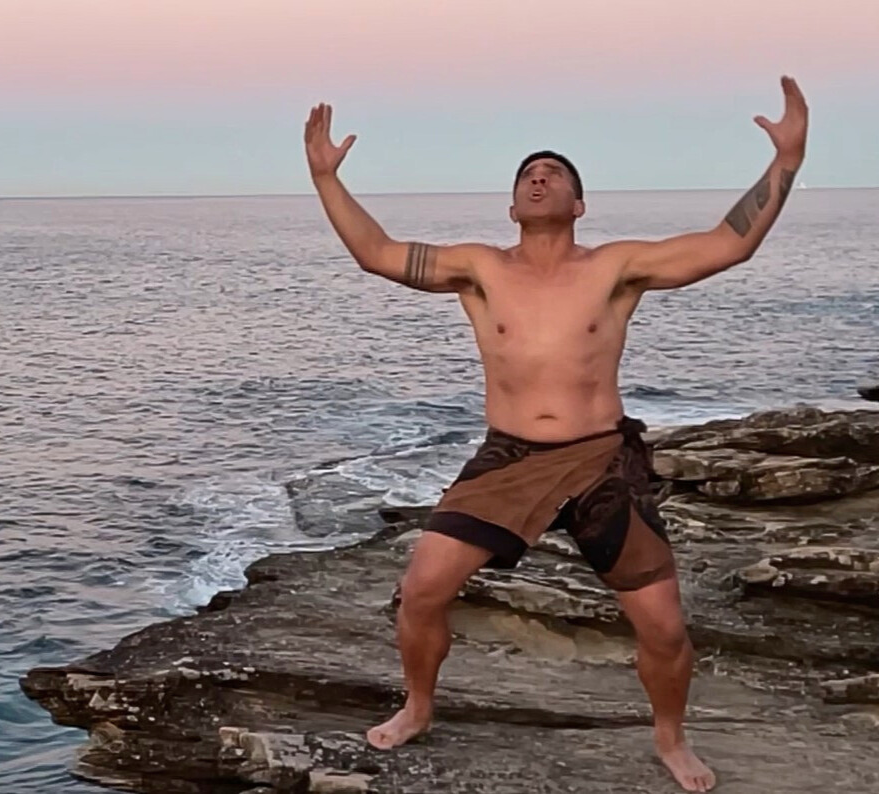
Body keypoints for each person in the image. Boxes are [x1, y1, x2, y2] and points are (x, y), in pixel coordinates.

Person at [303, 77, 809, 794]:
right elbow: (377, 252)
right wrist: (326, 179)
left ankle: (671, 738)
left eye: (554, 174)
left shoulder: (615, 269)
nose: (539, 179)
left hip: (602, 461)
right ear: (513, 207)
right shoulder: (478, 270)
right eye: (528, 176)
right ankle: (418, 705)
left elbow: (729, 244)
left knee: (663, 626)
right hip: (507, 459)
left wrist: (786, 160)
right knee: (421, 590)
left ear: (578, 204)